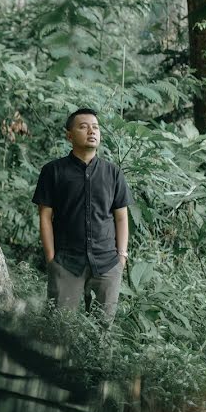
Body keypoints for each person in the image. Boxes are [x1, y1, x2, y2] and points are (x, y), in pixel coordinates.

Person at [32, 108, 133, 325]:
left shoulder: (113, 173)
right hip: (67, 263)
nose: (91, 131)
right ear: (69, 135)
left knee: (102, 332)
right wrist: (51, 260)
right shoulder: (53, 171)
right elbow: (45, 217)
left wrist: (121, 257)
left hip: (107, 263)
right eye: (83, 126)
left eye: (95, 127)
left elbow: (121, 218)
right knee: (59, 329)